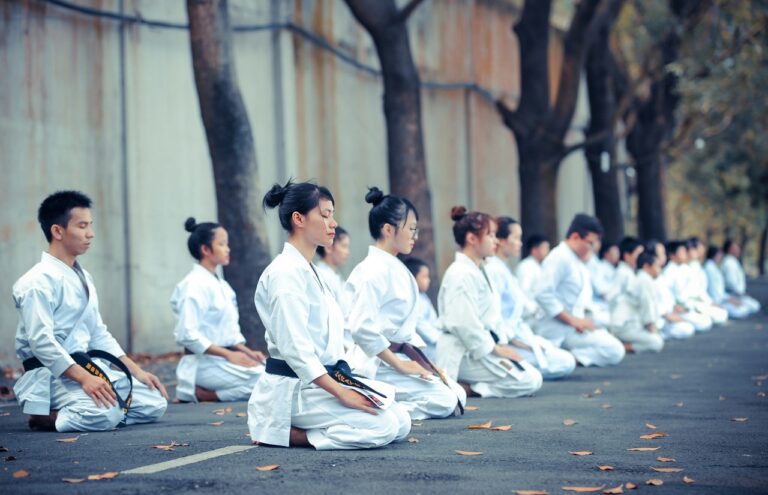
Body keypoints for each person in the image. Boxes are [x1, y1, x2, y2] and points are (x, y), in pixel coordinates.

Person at [248, 180, 411, 450]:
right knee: (383, 426)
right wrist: (341, 393)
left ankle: (309, 425)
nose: (333, 223)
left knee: (401, 421)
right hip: (296, 389)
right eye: (325, 215)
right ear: (298, 219)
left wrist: (347, 384)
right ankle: (287, 432)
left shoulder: (310, 271)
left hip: (322, 382)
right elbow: (296, 350)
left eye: (332, 215)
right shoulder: (285, 274)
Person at [13, 191, 168, 432]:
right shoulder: (36, 282)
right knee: (107, 413)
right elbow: (40, 341)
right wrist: (84, 378)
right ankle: (46, 417)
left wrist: (136, 372)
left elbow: (98, 333)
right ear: (57, 231)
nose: (90, 234)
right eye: (82, 226)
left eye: (90, 225)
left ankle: (96, 412)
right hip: (54, 375)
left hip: (87, 367)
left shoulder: (83, 277)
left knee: (154, 403)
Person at [344, 187, 465, 420]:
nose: (415, 236)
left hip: (399, 356)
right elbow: (361, 328)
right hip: (378, 362)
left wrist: (419, 362)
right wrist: (400, 366)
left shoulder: (394, 266)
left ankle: (388, 404)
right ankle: (383, 410)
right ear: (388, 229)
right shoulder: (372, 271)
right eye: (411, 229)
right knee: (446, 400)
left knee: (457, 393)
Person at [436, 207, 543, 398]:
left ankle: (468, 386)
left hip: (479, 346)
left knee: (532, 375)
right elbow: (464, 324)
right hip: (463, 352)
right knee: (529, 380)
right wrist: (495, 349)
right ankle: (467, 389)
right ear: (472, 239)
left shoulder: (480, 269)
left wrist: (501, 345)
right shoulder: (460, 274)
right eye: (491, 235)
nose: (495, 240)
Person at [170, 218, 265, 403]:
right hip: (203, 364)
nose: (228, 249)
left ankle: (208, 393)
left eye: (227, 244)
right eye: (222, 244)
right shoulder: (193, 285)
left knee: (275, 373)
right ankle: (205, 394)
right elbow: (186, 334)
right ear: (205, 249)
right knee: (266, 380)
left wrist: (246, 352)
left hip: (222, 360)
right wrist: (229, 355)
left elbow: (226, 332)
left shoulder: (222, 285)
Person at [484, 217, 576, 379]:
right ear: (502, 241)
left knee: (563, 359)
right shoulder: (493, 270)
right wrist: (514, 342)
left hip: (519, 331)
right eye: (516, 238)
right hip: (505, 340)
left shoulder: (502, 269)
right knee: (563, 362)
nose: (520, 243)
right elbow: (495, 317)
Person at [534, 214, 625, 367]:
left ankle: (567, 358)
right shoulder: (559, 257)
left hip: (572, 327)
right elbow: (542, 294)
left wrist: (582, 321)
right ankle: (565, 358)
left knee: (613, 345)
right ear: (575, 237)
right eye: (589, 243)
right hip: (558, 329)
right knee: (614, 349)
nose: (591, 248)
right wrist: (574, 321)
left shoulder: (574, 259)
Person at [608, 251, 664, 353]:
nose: (659, 270)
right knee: (656, 342)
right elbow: (647, 306)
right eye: (657, 266)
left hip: (629, 324)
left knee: (658, 336)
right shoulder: (644, 280)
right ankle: (623, 346)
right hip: (624, 325)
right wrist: (651, 328)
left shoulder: (642, 278)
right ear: (647, 266)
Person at [645, 240, 696, 339]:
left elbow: (668, 297)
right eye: (662, 253)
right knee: (688, 328)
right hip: (661, 317)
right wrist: (666, 314)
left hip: (672, 311)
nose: (665, 256)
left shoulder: (660, 275)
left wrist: (675, 307)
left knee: (690, 326)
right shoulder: (651, 277)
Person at [662, 241, 716, 331]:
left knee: (707, 320)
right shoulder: (668, 272)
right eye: (682, 252)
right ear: (672, 255)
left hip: (689, 305)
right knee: (703, 323)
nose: (685, 254)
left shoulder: (684, 268)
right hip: (677, 308)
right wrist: (674, 306)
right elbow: (667, 294)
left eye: (685, 251)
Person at [403, 257, 443, 361]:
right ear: (412, 278)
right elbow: (421, 326)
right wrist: (441, 340)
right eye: (424, 277)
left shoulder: (423, 296)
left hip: (436, 343)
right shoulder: (411, 300)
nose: (429, 280)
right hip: (426, 349)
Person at [704, 246, 751, 319]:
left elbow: (719, 290)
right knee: (741, 310)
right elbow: (714, 291)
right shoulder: (709, 268)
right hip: (717, 300)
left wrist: (729, 298)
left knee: (745, 307)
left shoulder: (713, 267)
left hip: (721, 298)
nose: (721, 256)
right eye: (719, 254)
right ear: (715, 254)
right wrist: (727, 300)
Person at [721, 239, 762, 315]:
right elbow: (731, 283)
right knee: (748, 308)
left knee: (754, 306)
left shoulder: (733, 261)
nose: (738, 250)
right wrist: (741, 294)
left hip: (738, 294)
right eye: (736, 248)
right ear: (730, 249)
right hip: (733, 295)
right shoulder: (729, 263)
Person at [315, 226, 351, 305]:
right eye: (344, 246)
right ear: (329, 248)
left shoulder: (333, 275)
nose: (347, 252)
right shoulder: (323, 277)